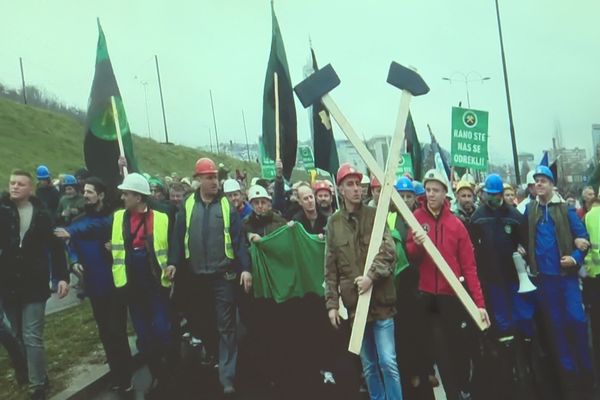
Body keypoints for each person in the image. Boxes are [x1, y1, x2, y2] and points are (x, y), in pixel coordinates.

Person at [169, 157, 251, 396]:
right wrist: (174, 263)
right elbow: (177, 237)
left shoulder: (226, 206)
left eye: (215, 177)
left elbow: (239, 241)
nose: (214, 181)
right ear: (198, 180)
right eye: (209, 177)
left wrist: (245, 268)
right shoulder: (186, 205)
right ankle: (213, 352)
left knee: (226, 326)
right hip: (195, 278)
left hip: (222, 277)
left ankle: (227, 377)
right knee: (201, 322)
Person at [406, 169, 489, 400]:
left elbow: (470, 268)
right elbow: (411, 255)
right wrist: (417, 244)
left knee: (456, 351)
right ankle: (445, 393)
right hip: (426, 297)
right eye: (428, 189)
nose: (431, 194)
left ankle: (460, 390)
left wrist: (479, 305)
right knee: (435, 350)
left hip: (450, 297)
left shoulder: (457, 225)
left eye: (436, 190)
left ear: (445, 193)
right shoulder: (417, 219)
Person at [325, 163, 402, 400]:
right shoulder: (334, 224)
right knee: (369, 367)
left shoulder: (375, 217)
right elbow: (330, 267)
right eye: (351, 184)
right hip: (356, 307)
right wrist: (332, 304)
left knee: (388, 362)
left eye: (359, 184)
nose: (357, 189)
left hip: (381, 302)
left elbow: (389, 252)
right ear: (341, 190)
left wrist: (371, 277)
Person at [54, 177, 133, 393]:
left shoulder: (112, 217)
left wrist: (74, 233)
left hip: (115, 283)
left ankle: (126, 375)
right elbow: (72, 245)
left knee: (117, 331)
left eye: (90, 191)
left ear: (101, 194)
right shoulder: (79, 219)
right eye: (84, 191)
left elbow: (98, 228)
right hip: (94, 285)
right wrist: (74, 261)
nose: (86, 195)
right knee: (105, 332)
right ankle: (116, 373)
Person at [524, 165, 593, 400]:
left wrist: (574, 258)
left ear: (552, 184)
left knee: (577, 320)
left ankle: (587, 371)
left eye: (543, 180)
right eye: (536, 181)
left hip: (567, 281)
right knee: (556, 327)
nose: (539, 184)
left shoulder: (566, 210)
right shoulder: (530, 211)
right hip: (545, 281)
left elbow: (584, 240)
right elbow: (519, 234)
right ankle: (568, 376)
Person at [0, 169, 69, 400]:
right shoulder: (2, 210)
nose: (15, 187)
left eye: (20, 184)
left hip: (34, 284)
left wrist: (62, 277)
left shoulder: (42, 214)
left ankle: (37, 386)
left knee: (32, 335)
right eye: (12, 183)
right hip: (8, 283)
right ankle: (39, 374)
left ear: (30, 189)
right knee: (18, 334)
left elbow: (56, 247)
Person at [111, 173, 175, 399]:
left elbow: (171, 246)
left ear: (139, 197)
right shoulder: (118, 217)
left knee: (163, 331)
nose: (122, 197)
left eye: (126, 193)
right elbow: (117, 250)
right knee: (144, 338)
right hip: (131, 286)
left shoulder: (161, 217)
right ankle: (158, 374)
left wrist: (172, 267)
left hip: (156, 284)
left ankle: (168, 366)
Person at [469, 174, 533, 399]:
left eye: (497, 196)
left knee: (522, 315)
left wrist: (523, 250)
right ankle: (508, 358)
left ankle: (526, 351)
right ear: (485, 193)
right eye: (490, 195)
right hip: (492, 280)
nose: (494, 199)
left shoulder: (514, 217)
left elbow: (524, 241)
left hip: (514, 278)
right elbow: (471, 249)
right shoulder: (477, 218)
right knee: (502, 321)